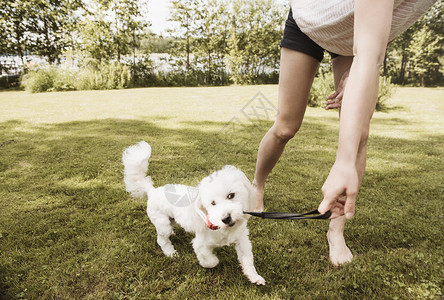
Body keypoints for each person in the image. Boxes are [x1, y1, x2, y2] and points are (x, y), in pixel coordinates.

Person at [252, 0, 437, 265]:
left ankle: (336, 232)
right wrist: (364, 61)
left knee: (360, 136)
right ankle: (257, 185)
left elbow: (377, 39)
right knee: (285, 127)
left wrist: (359, 70)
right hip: (310, 22)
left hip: (356, 35)